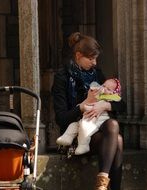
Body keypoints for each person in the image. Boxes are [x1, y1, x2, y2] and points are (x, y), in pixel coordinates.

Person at [51, 32, 126, 190]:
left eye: (96, 58)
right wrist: (82, 106)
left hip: (96, 131)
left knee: (112, 125)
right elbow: (61, 119)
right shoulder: (62, 77)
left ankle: (102, 184)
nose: (94, 63)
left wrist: (104, 106)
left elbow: (121, 104)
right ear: (78, 55)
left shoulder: (97, 74)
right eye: (91, 58)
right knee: (117, 140)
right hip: (76, 138)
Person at [56, 78, 122, 155]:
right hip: (81, 125)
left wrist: (106, 105)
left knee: (116, 135)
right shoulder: (64, 77)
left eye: (108, 89)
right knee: (73, 125)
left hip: (94, 125)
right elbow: (61, 119)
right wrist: (83, 105)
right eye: (103, 86)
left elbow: (120, 102)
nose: (103, 88)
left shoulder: (109, 97)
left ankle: (83, 146)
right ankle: (66, 139)